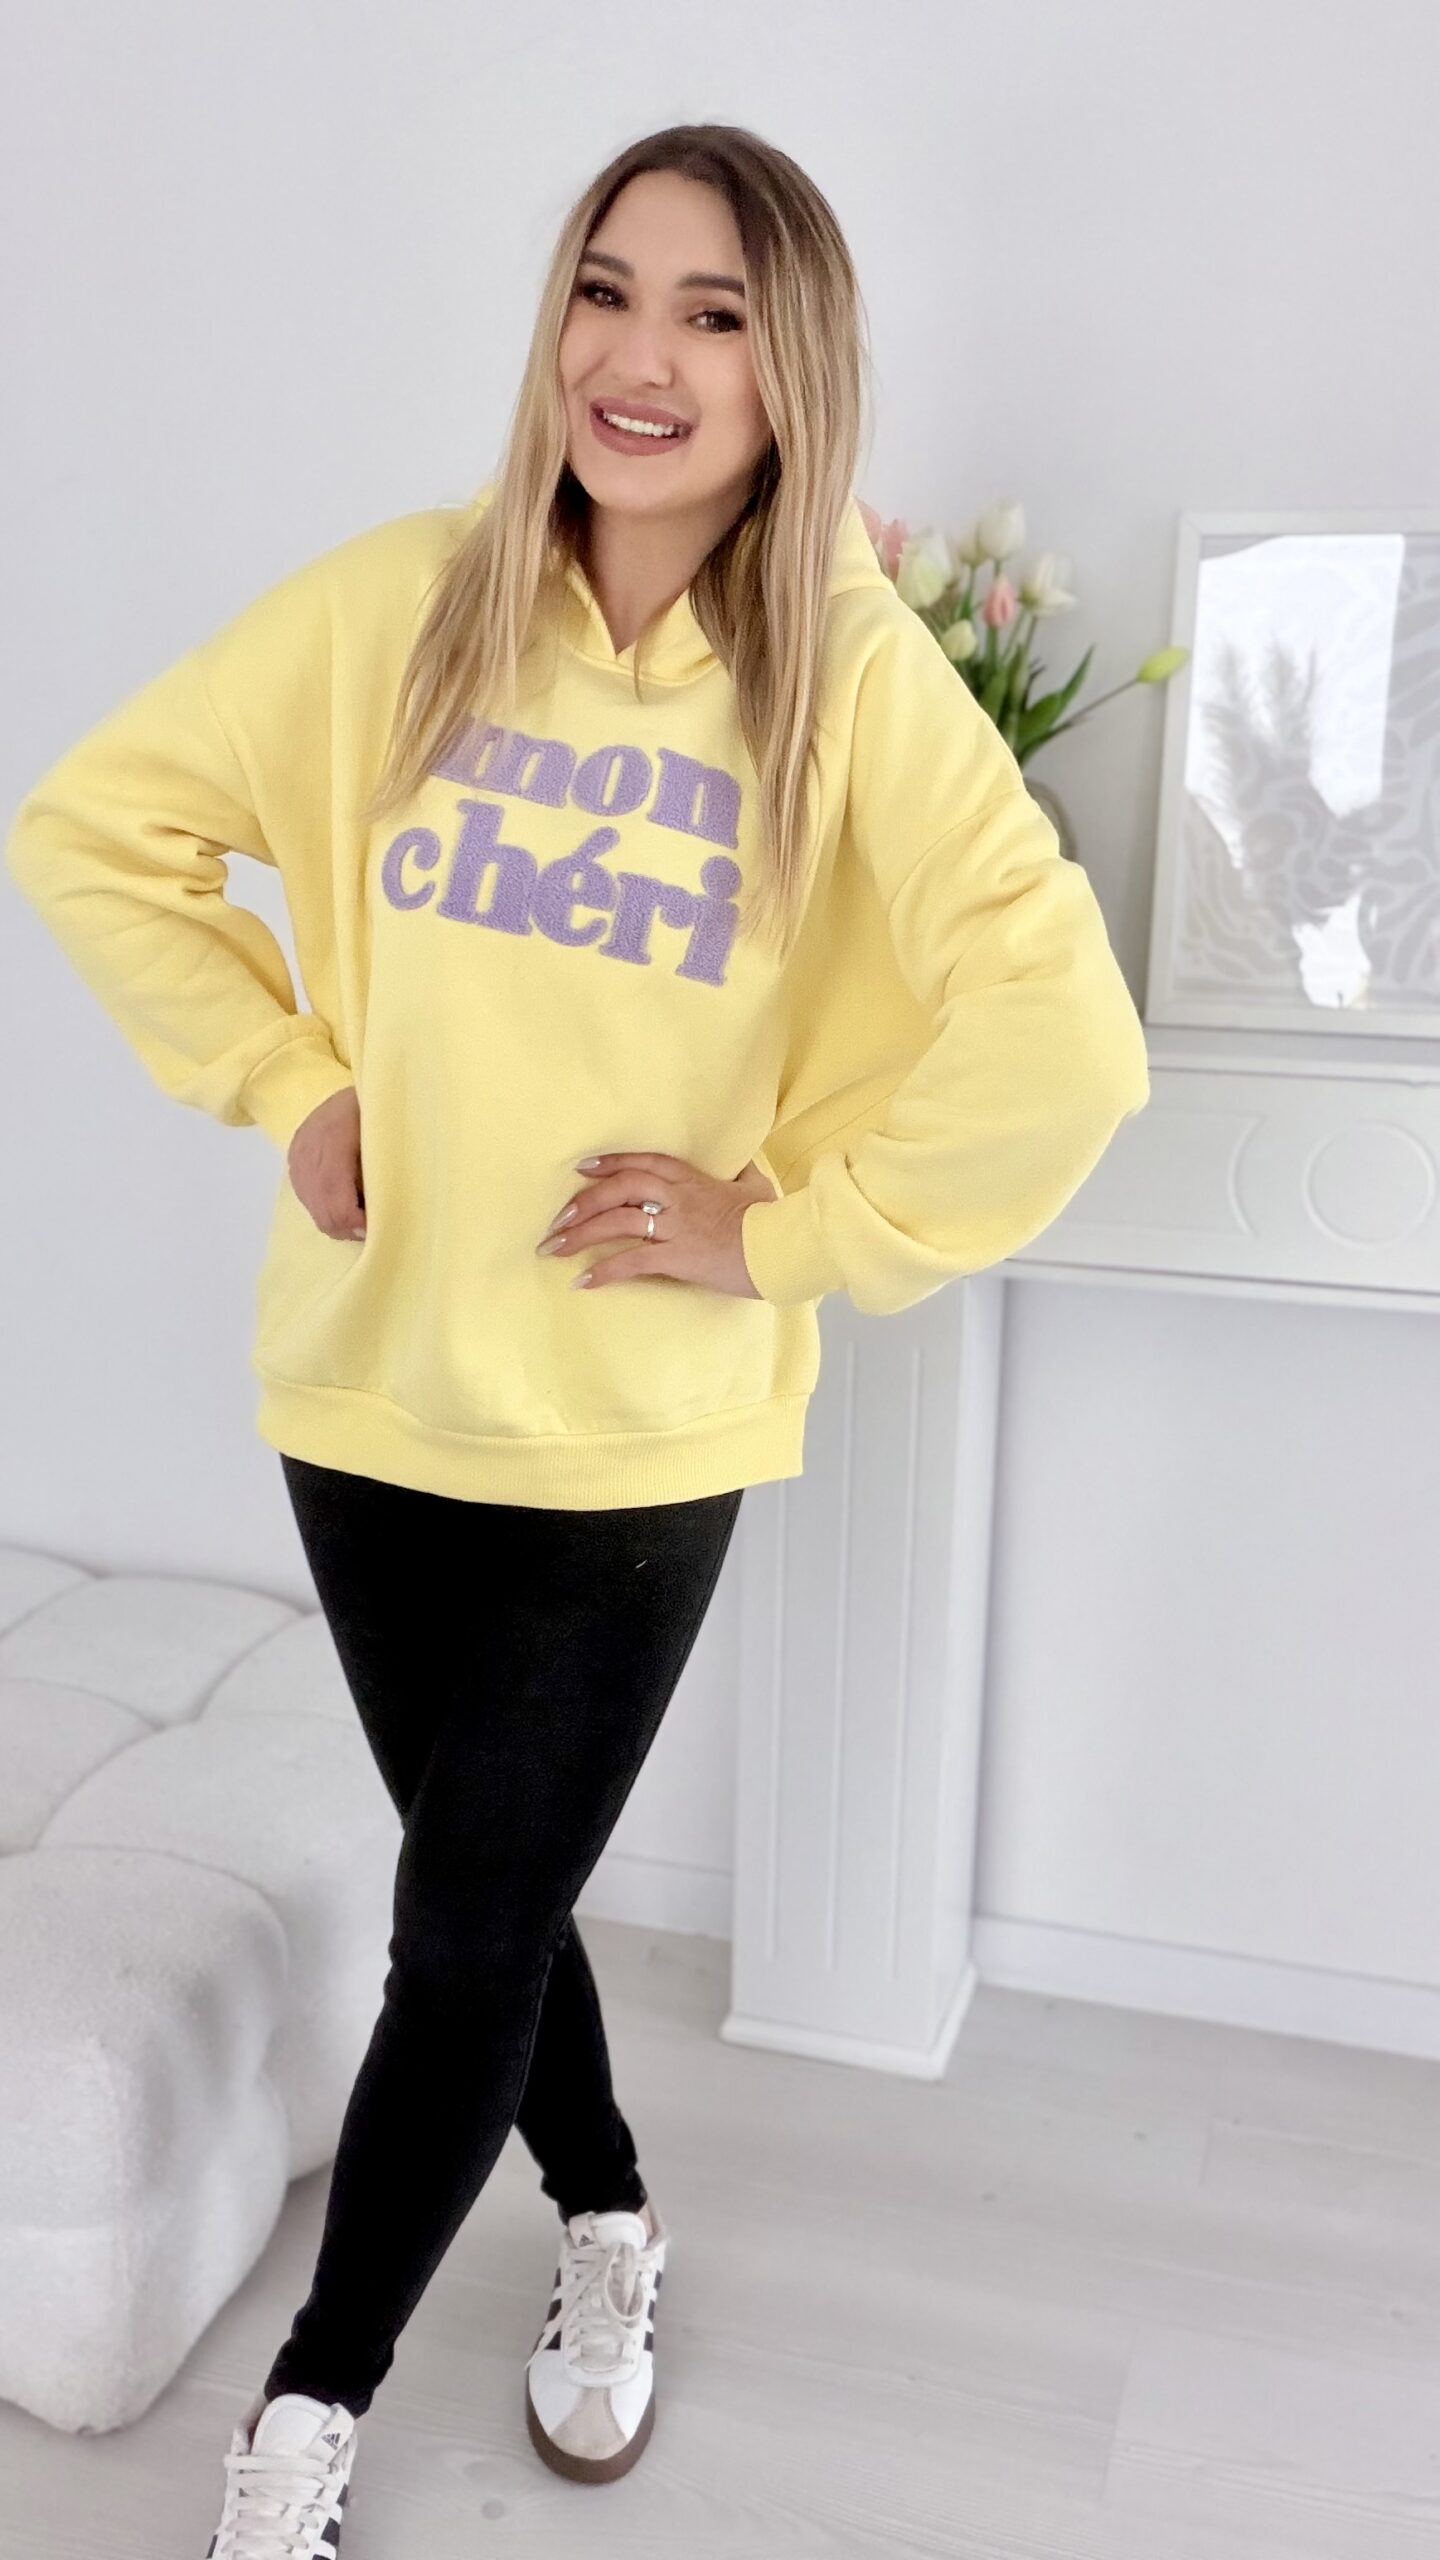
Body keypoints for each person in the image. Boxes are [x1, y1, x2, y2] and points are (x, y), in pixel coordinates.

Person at [4, 119, 1150, 2550]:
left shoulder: (845, 673)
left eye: (716, 312)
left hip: (636, 1428)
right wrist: (290, 1080)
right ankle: (610, 2204)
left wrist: (792, 1234)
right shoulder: (401, 608)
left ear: (792, 365)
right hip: (371, 1385)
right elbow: (93, 829)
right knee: (487, 1887)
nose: (644, 353)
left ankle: (303, 2416)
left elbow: (1067, 1036)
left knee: (461, 1925)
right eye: (606, 289)